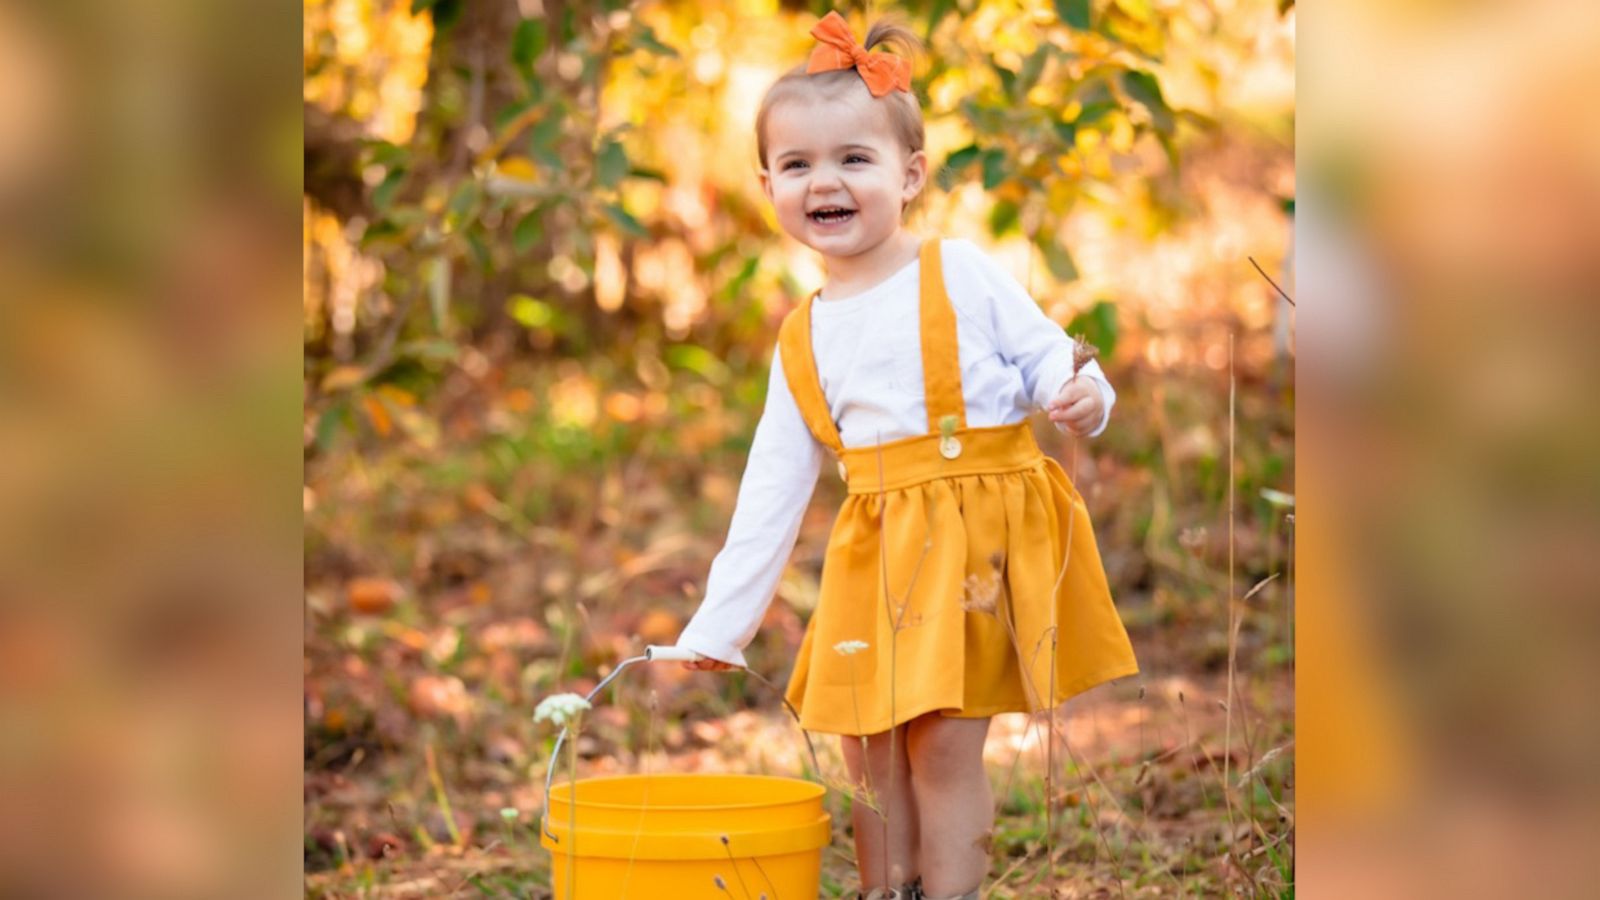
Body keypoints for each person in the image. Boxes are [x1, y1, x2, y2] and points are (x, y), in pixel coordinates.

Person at [672, 11, 1139, 900]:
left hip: (971, 541)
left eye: (855, 159)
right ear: (767, 181)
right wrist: (719, 625)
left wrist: (1084, 394)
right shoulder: (800, 337)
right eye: (799, 164)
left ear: (910, 174)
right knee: (870, 747)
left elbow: (1049, 356)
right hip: (875, 552)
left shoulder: (958, 272)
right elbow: (771, 489)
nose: (826, 182)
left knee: (942, 742)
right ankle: (889, 890)